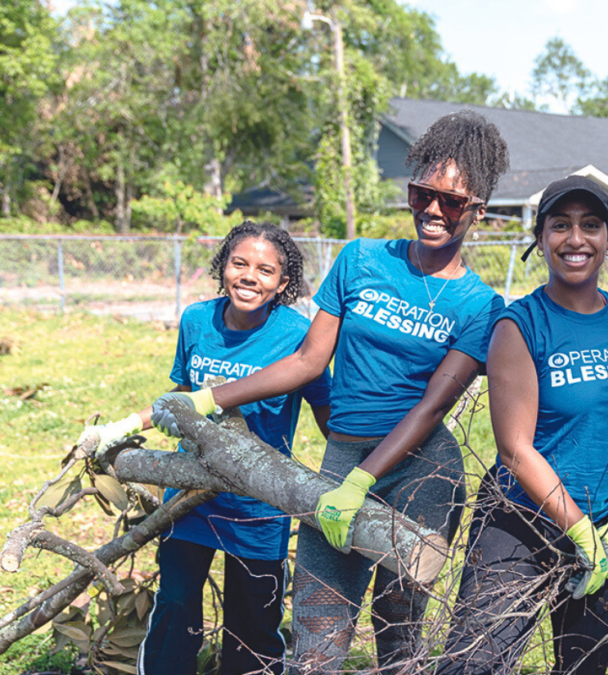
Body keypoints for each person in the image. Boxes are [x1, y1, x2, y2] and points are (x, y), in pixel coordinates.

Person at [149, 110, 509, 674]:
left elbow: (433, 404)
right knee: (316, 631)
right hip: (342, 457)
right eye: (423, 193)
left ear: (478, 211)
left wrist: (366, 480)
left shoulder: (481, 305)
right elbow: (307, 360)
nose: (434, 210)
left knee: (399, 629)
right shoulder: (361, 259)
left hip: (424, 473)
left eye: (453, 201)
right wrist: (209, 399)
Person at [79, 221, 331, 675]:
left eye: (265, 270)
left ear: (283, 283)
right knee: (174, 611)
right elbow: (180, 395)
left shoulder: (299, 337)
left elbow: (327, 409)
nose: (250, 276)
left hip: (258, 505)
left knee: (252, 625)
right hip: (190, 499)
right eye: (240, 263)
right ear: (224, 267)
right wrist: (122, 427)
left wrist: (354, 469)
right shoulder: (198, 320)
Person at [437, 176, 608, 675]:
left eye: (591, 225)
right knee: (475, 664)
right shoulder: (520, 325)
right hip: (520, 519)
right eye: (560, 225)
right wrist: (578, 529)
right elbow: (514, 448)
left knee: (584, 667)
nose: (576, 239)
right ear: (540, 238)